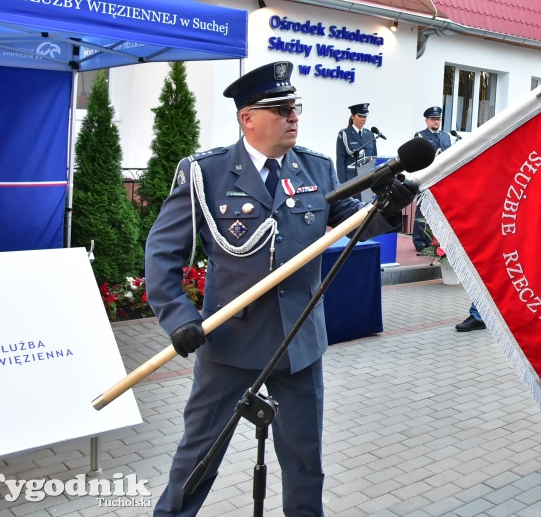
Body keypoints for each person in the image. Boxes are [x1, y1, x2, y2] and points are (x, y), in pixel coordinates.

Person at [145, 62, 416, 517]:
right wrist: (179, 318)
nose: (293, 116)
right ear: (247, 118)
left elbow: (351, 222)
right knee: (198, 459)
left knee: (305, 462)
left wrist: (388, 210)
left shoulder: (315, 167)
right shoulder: (205, 174)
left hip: (298, 343)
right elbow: (162, 254)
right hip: (229, 342)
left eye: (295, 108)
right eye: (280, 109)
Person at [413, 106, 453, 253]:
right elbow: (416, 158)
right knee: (423, 210)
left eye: (438, 119)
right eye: (433, 119)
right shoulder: (420, 136)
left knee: (439, 211)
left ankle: (434, 241)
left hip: (441, 178)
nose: (436, 122)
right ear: (426, 120)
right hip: (427, 178)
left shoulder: (446, 136)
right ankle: (420, 242)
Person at [335, 102, 377, 183]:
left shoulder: (370, 134)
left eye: (364, 116)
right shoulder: (344, 134)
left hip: (368, 178)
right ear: (352, 116)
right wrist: (342, 184)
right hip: (352, 179)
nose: (362, 119)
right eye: (360, 116)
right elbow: (340, 161)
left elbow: (374, 158)